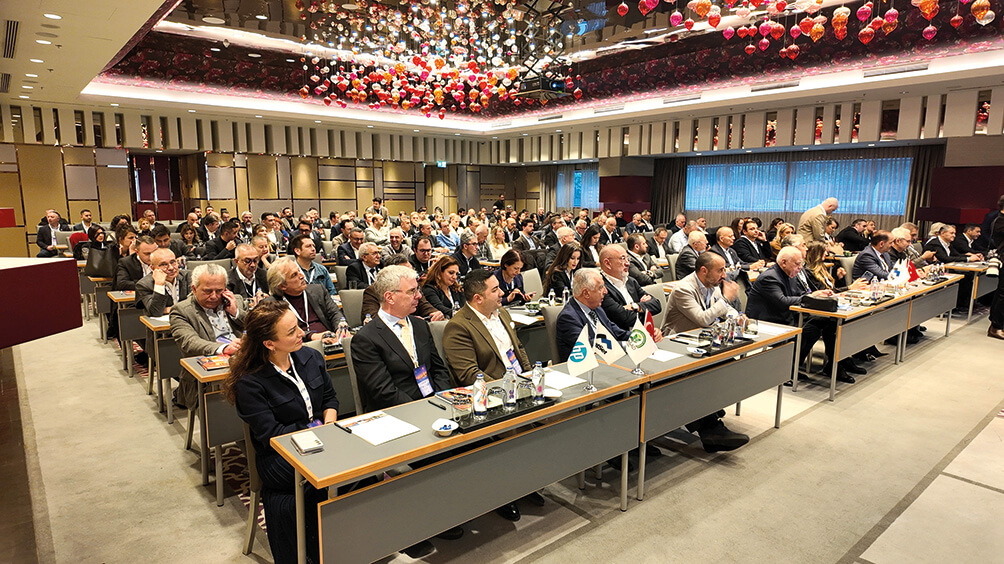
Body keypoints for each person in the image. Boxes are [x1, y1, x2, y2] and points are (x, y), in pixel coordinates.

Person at [225, 300, 338, 564]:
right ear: (269, 343)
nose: (302, 333)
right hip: (280, 456)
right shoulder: (250, 382)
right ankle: (319, 552)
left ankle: (351, 544)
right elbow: (272, 434)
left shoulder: (311, 357)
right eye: (291, 331)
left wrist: (329, 424)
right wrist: (318, 431)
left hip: (324, 438)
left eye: (298, 326)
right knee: (324, 480)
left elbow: (330, 398)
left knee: (363, 471)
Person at [657, 251, 750, 452]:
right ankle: (711, 430)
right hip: (675, 345)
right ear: (704, 270)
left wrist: (737, 316)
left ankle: (711, 411)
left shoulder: (711, 285)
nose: (724, 275)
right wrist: (726, 299)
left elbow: (725, 310)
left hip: (699, 342)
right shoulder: (683, 289)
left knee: (727, 364)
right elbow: (703, 319)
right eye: (720, 270)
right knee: (699, 376)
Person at [745, 247, 858, 384]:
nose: (800, 267)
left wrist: (817, 296)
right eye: (797, 264)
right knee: (810, 330)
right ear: (784, 262)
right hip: (767, 320)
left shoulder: (790, 274)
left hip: (787, 316)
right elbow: (783, 302)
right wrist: (810, 297)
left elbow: (800, 295)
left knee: (828, 323)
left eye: (801, 264)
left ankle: (834, 365)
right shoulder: (770, 277)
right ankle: (785, 370)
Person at [169, 263, 246, 408]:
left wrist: (236, 313)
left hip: (243, 362)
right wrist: (224, 348)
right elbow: (189, 342)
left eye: (219, 291)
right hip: (208, 375)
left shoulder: (236, 301)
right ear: (194, 289)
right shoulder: (181, 311)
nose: (214, 296)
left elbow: (257, 328)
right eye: (208, 291)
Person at [443, 268, 531, 386]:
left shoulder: (502, 313)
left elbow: (518, 347)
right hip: (494, 389)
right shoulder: (458, 327)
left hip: (520, 381)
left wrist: (529, 376)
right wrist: (504, 388)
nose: (502, 293)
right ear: (478, 298)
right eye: (495, 290)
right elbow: (469, 373)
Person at [555, 269, 631, 362]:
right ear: (586, 293)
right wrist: (625, 345)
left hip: (607, 360)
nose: (605, 291)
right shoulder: (568, 318)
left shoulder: (597, 308)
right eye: (600, 288)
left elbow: (615, 331)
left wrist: (639, 338)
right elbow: (591, 345)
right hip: (586, 366)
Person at [265, 257, 345, 342]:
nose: (302, 276)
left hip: (331, 342)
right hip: (299, 345)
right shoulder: (272, 305)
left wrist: (340, 327)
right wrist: (311, 336)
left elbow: (335, 313)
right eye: (294, 275)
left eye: (299, 271)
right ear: (282, 286)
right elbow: (284, 333)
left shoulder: (318, 290)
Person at [598, 245, 663, 334]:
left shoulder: (631, 281)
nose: (628, 263)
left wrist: (635, 306)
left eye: (627, 258)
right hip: (620, 338)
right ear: (607, 263)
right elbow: (624, 318)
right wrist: (644, 308)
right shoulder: (600, 287)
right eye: (622, 258)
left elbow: (656, 305)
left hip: (641, 335)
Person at [359, 255, 445, 321]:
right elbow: (373, 319)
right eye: (406, 273)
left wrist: (434, 313)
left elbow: (424, 305)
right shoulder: (373, 291)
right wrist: (409, 320)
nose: (418, 295)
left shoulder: (414, 287)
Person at [136, 248, 191, 317]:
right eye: (163, 264)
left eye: (173, 262)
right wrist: (159, 285)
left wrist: (168, 309)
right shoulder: (144, 285)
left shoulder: (188, 276)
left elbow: (195, 306)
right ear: (153, 268)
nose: (171, 268)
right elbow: (155, 312)